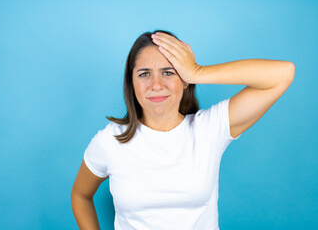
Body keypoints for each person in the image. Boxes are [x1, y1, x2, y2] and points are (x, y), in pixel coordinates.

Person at [71, 29, 295, 230]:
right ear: (131, 82)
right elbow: (80, 195)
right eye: (144, 73)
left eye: (169, 72)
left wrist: (197, 72)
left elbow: (282, 74)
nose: (156, 85)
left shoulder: (210, 128)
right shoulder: (110, 140)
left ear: (185, 80)